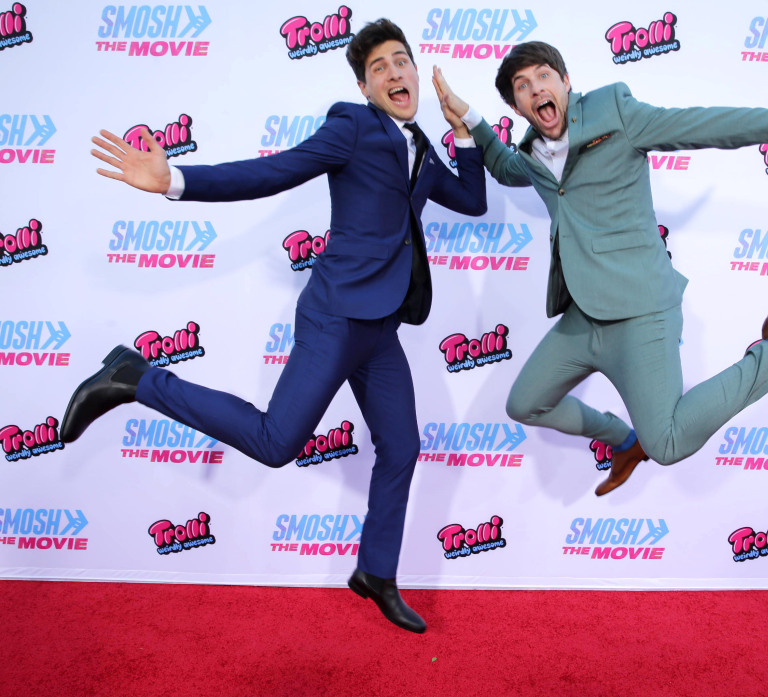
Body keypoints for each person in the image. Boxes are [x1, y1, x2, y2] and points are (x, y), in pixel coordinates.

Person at [62, 19, 487, 634]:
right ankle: (136, 378)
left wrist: (463, 128)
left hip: (381, 327)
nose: (395, 73)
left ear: (418, 72)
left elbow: (472, 200)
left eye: (403, 62)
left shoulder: (421, 143)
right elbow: (273, 172)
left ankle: (376, 572)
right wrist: (174, 181)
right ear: (365, 87)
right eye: (380, 68)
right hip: (336, 316)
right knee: (274, 443)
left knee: (402, 447)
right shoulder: (352, 125)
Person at [432, 42, 768, 496]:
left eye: (544, 76)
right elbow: (508, 169)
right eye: (522, 87)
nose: (536, 89)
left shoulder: (615, 112)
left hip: (641, 310)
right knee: (525, 404)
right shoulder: (532, 151)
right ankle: (625, 441)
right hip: (583, 316)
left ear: (565, 81)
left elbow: (703, 125)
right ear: (516, 106)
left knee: (666, 443)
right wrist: (468, 118)